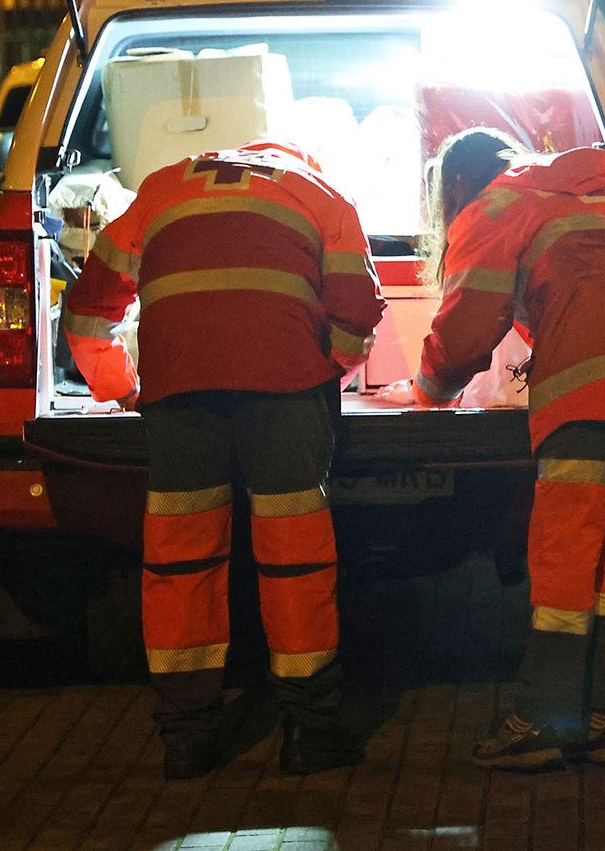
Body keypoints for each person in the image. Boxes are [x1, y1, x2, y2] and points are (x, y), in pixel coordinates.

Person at [377, 128, 605, 769]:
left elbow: (468, 326)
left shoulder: (495, 206)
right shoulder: (593, 193)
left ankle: (541, 721)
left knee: (565, 545)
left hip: (593, 379)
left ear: (454, 185)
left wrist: (424, 389)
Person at [62, 139, 384, 779]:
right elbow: (355, 311)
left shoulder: (158, 189)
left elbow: (90, 305)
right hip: (285, 390)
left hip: (179, 389)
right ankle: (309, 735)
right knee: (296, 558)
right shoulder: (323, 194)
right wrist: (327, 369)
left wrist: (121, 388)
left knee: (182, 561)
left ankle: (187, 740)